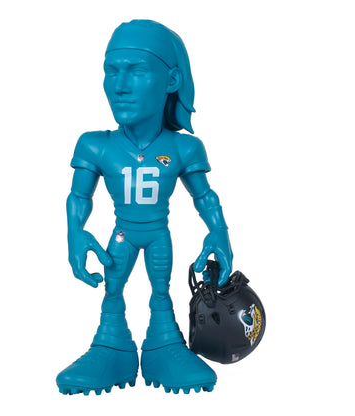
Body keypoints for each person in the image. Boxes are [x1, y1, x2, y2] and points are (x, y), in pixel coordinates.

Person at [56, 19, 233, 395]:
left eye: (136, 70)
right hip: (122, 233)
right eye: (111, 71)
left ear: (171, 80)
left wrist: (219, 232)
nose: (119, 86)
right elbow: (79, 196)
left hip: (157, 235)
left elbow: (204, 196)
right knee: (113, 290)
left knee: (161, 291)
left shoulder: (184, 148)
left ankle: (164, 346)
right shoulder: (95, 145)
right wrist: (75, 232)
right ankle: (111, 347)